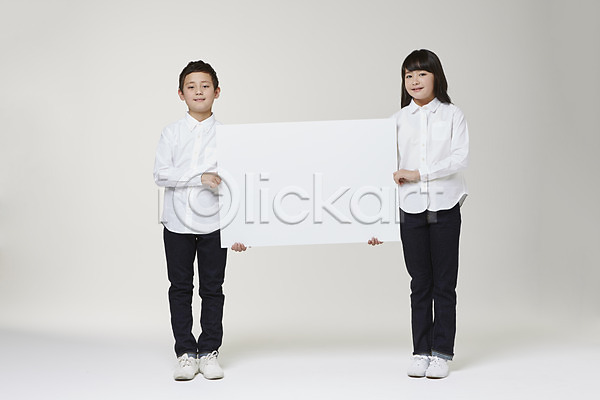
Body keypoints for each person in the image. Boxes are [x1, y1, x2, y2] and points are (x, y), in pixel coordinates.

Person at [369, 49, 468, 379]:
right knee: (420, 283)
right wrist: (374, 221)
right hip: (410, 208)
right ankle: (421, 351)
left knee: (444, 284)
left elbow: (459, 159)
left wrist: (419, 174)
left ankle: (441, 353)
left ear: (436, 76)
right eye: (408, 75)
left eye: (421, 73)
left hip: (444, 206)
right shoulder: (396, 121)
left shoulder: (453, 115)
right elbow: (379, 166)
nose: (414, 80)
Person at [154, 60, 247, 381]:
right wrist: (199, 176)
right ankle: (185, 352)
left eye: (205, 86)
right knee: (180, 288)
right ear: (181, 93)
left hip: (215, 224)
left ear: (217, 92)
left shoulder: (228, 136)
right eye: (191, 86)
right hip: (176, 223)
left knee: (213, 289)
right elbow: (161, 174)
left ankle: (208, 351)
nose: (198, 91)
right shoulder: (171, 132)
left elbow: (239, 182)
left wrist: (242, 228)